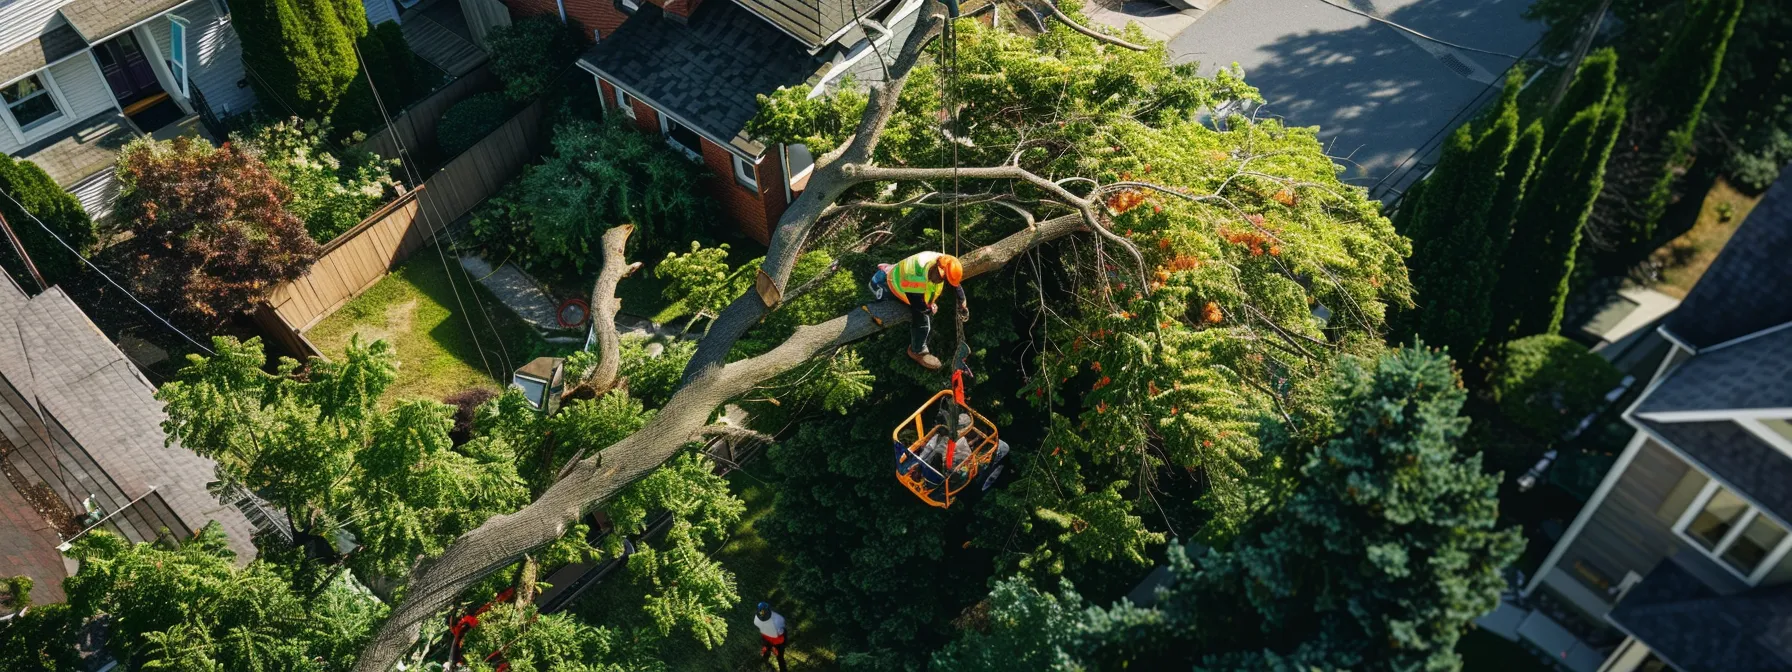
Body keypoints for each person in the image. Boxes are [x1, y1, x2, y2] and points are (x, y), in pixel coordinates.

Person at [868, 251, 968, 370]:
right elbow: (918, 305)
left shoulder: (942, 260)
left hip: (902, 279)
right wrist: (929, 309)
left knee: (924, 311)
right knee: (922, 321)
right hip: (885, 285)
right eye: (942, 278)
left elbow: (952, 280)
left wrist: (962, 300)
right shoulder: (915, 275)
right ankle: (917, 351)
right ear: (937, 268)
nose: (942, 282)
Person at [753, 602, 788, 672]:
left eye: (764, 612)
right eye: (761, 612)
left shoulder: (778, 620)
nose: (762, 613)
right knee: (766, 652)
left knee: (780, 658)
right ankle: (764, 664)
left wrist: (774, 646)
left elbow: (781, 635)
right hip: (767, 640)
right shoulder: (759, 618)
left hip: (778, 642)